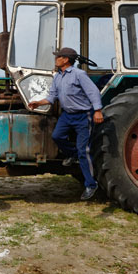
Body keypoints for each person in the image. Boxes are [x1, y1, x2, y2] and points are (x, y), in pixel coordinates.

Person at [27, 47, 104, 201]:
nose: (56, 59)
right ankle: (73, 154)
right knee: (56, 136)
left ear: (66, 59)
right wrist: (38, 103)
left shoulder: (79, 75)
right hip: (67, 115)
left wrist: (98, 110)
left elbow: (93, 92)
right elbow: (52, 96)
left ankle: (91, 184)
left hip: (83, 116)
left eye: (59, 56)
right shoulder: (58, 76)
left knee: (84, 151)